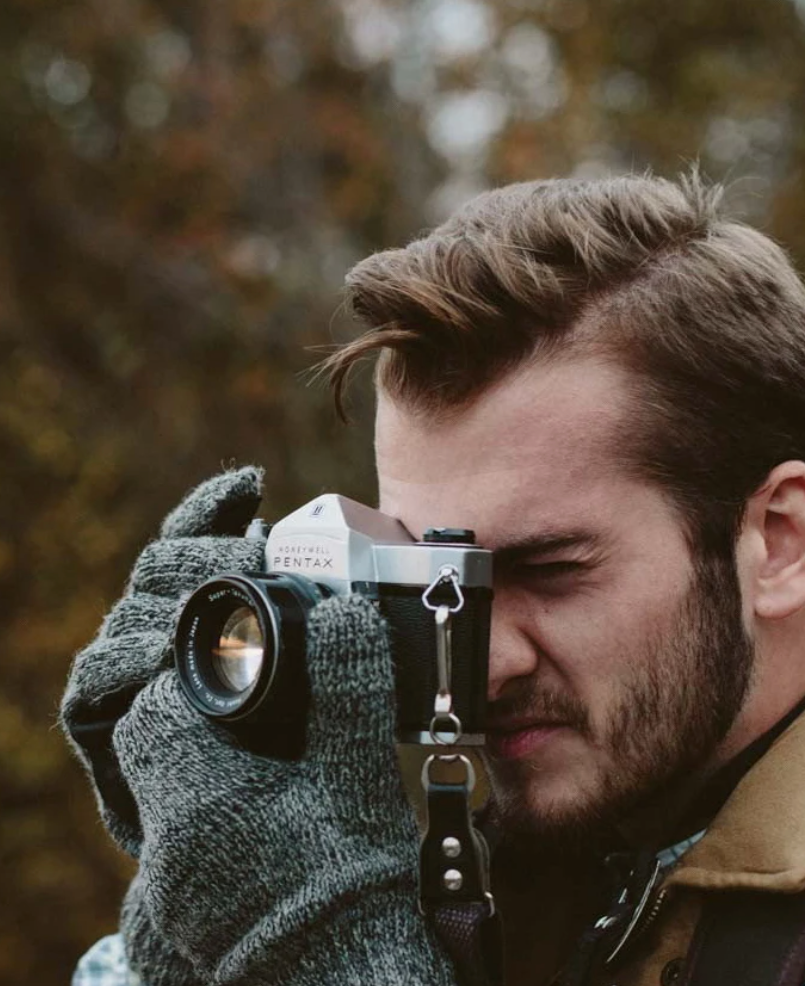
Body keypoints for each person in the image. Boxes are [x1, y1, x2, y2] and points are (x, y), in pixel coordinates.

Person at [61, 171, 805, 986]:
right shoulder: (499, 851)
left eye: (550, 569)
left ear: (780, 539)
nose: (482, 664)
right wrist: (183, 903)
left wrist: (323, 946)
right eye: (431, 582)